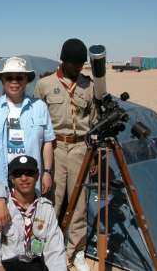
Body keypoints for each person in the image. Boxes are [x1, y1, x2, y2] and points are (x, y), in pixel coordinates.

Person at [34, 38, 96, 271]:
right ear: (64, 61)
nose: (79, 67)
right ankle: (49, 248)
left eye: (82, 63)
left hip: (81, 148)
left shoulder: (88, 86)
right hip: (55, 148)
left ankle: (77, 251)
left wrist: (94, 156)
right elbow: (36, 122)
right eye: (75, 63)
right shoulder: (45, 85)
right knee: (52, 201)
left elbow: (95, 121)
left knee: (79, 203)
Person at [0, 57, 55, 194]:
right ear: (2, 80)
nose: (14, 82)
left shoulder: (40, 107)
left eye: (19, 77)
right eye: (9, 78)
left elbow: (47, 142)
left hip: (30, 180)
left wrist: (47, 172)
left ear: (27, 80)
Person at [0, 155, 67, 271]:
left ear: (37, 176)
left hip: (33, 263)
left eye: (29, 173)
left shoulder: (46, 209)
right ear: (12, 179)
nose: (24, 178)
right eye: (18, 174)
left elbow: (55, 250)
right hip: (3, 265)